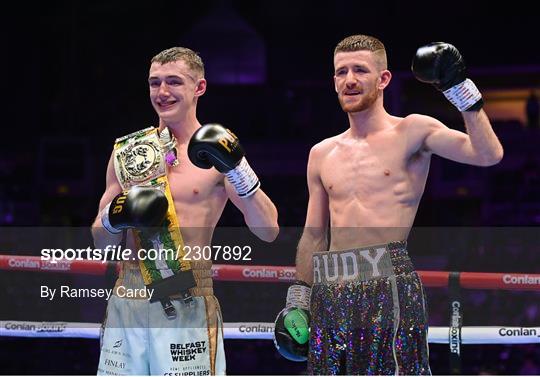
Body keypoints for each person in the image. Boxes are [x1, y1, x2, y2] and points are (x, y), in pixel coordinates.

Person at [273, 35, 503, 374]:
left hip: (387, 283)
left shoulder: (412, 130)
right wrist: (299, 298)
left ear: (383, 79)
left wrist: (459, 87)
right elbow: (313, 235)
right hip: (328, 290)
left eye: (360, 70)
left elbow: (488, 154)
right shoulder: (321, 153)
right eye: (341, 72)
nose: (349, 80)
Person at [91, 47, 279, 375]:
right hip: (128, 294)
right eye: (155, 83)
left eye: (174, 82)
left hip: (187, 296)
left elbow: (268, 230)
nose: (162, 92)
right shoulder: (128, 153)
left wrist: (239, 170)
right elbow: (101, 243)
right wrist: (112, 217)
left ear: (199, 88)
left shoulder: (217, 156)